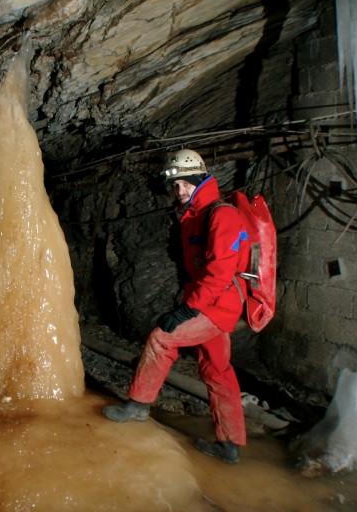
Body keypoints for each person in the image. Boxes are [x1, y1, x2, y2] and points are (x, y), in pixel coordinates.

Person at [101, 148, 250, 464]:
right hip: (211, 301)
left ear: (200, 180)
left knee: (162, 337)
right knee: (217, 370)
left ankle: (138, 406)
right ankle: (230, 444)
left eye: (185, 184)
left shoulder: (221, 215)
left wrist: (190, 308)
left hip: (217, 304)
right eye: (175, 185)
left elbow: (219, 272)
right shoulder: (195, 215)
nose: (179, 191)